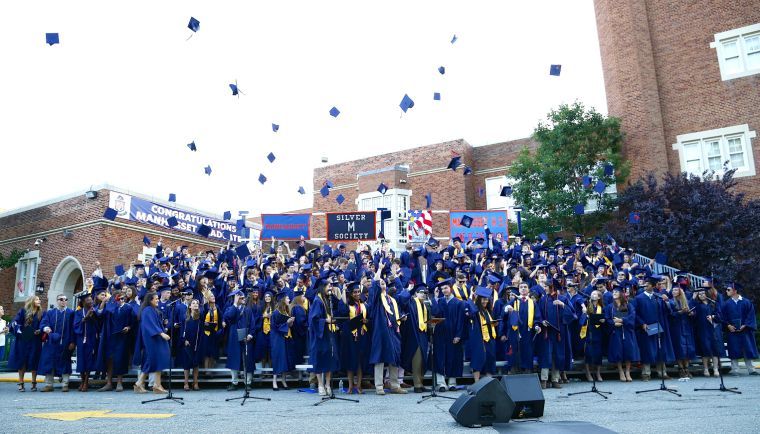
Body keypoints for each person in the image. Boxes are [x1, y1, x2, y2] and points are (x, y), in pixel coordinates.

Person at [368, 263, 407, 395]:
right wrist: (378, 269)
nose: (382, 285)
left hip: (393, 332)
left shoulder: (391, 300)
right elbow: (374, 285)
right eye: (381, 283)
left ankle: (395, 385)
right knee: (379, 358)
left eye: (384, 283)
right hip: (380, 332)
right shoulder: (376, 299)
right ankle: (379, 386)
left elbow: (395, 313)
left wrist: (401, 318)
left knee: (394, 357)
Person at [635, 276, 675, 381]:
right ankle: (646, 374)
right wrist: (642, 323)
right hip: (646, 328)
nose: (645, 286)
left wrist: (667, 301)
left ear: (652, 286)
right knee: (647, 350)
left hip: (658, 326)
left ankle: (662, 372)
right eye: (644, 284)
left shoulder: (658, 297)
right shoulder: (639, 298)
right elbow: (635, 313)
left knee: (660, 349)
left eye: (647, 284)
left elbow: (669, 310)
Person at [536, 280, 574, 389]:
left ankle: (555, 379)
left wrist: (563, 305)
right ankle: (544, 379)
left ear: (553, 287)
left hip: (559, 332)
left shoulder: (563, 299)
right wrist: (541, 321)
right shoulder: (543, 299)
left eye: (547, 286)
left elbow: (572, 315)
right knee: (546, 355)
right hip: (546, 332)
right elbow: (539, 314)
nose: (545, 288)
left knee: (557, 355)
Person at [97, 287, 135, 392]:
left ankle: (119, 382)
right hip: (109, 336)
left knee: (120, 359)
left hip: (122, 337)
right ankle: (109, 383)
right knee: (109, 359)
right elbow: (99, 313)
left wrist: (128, 327)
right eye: (119, 298)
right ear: (114, 299)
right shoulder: (109, 308)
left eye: (123, 298)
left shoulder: (128, 308)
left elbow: (132, 322)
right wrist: (103, 302)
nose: (121, 300)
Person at [430, 278, 465, 392]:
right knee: (440, 358)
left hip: (453, 335)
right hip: (440, 334)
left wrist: (458, 335)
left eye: (445, 288)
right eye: (442, 289)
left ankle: (452, 382)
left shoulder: (458, 303)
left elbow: (461, 320)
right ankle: (441, 383)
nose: (444, 290)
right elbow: (435, 313)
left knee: (453, 357)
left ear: (451, 288)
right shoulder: (439, 301)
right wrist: (435, 297)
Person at [308, 279, 341, 396]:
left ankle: (328, 384)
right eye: (328, 286)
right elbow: (314, 319)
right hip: (319, 335)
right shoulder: (317, 301)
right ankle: (320, 384)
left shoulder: (328, 300)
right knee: (319, 359)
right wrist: (326, 320)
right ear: (322, 287)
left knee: (329, 359)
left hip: (328, 333)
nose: (330, 288)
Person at [134, 292, 171, 394]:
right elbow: (149, 325)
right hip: (153, 339)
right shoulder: (147, 310)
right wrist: (161, 333)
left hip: (156, 338)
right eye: (156, 299)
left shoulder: (153, 310)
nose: (158, 300)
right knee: (154, 360)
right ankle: (154, 385)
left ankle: (150, 384)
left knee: (155, 360)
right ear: (150, 300)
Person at [38, 294, 75, 392]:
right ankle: (49, 384)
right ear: (57, 301)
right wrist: (45, 328)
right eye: (61, 299)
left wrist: (72, 341)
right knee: (50, 362)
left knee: (65, 362)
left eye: (65, 299)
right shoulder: (50, 313)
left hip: (65, 342)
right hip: (51, 342)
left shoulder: (71, 313)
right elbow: (43, 323)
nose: (63, 301)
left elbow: (73, 329)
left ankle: (65, 384)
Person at [339, 281, 371, 394]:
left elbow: (370, 319)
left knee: (360, 361)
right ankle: (350, 386)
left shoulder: (365, 305)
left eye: (358, 292)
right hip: (350, 335)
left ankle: (358, 386)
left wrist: (366, 321)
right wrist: (343, 290)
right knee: (350, 360)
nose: (357, 294)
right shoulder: (348, 305)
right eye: (355, 292)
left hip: (362, 334)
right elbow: (342, 311)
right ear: (351, 294)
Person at [721, 282, 758, 376]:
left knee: (747, 348)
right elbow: (723, 317)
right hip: (732, 331)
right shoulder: (726, 304)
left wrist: (745, 325)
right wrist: (728, 325)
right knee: (733, 349)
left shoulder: (746, 302)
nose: (726, 291)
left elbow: (751, 316)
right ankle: (735, 370)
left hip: (745, 330)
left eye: (728, 290)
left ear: (735, 291)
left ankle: (751, 369)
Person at [8, 295, 43, 392]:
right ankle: (21, 382)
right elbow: (15, 322)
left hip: (35, 340)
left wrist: (40, 330)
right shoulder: (23, 311)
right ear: (31, 301)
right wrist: (20, 329)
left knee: (34, 360)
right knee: (22, 360)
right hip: (23, 339)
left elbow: (43, 324)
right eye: (37, 299)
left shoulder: (41, 313)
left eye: (39, 299)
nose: (39, 301)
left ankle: (33, 382)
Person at [400, 283, 431, 393]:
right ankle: (417, 384)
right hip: (414, 334)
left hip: (423, 334)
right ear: (416, 293)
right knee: (417, 359)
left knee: (423, 360)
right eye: (421, 293)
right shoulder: (411, 302)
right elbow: (402, 300)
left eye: (425, 293)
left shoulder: (426, 305)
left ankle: (421, 383)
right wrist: (408, 290)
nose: (424, 295)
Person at [507, 282, 542, 374]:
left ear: (528, 289)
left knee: (527, 351)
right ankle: (514, 371)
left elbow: (537, 317)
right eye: (521, 287)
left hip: (528, 332)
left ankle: (527, 372)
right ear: (518, 289)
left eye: (525, 287)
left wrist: (537, 325)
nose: (523, 289)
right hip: (515, 331)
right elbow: (504, 312)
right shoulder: (514, 301)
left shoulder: (532, 303)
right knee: (515, 351)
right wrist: (508, 308)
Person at [605, 287, 638, 382]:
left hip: (627, 331)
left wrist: (622, 320)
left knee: (628, 351)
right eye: (613, 292)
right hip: (616, 332)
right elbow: (607, 319)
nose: (614, 293)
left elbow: (632, 316)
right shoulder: (609, 307)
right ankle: (620, 371)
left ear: (620, 294)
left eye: (616, 292)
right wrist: (614, 323)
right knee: (617, 352)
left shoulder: (628, 305)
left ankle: (627, 371)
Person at [468, 287, 498, 382]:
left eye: (486, 299)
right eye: (483, 299)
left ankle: (488, 381)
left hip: (489, 339)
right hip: (478, 339)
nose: (485, 301)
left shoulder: (488, 311)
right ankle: (477, 382)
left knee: (490, 358)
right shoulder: (476, 310)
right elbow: (472, 313)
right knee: (478, 359)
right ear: (478, 299)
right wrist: (470, 298)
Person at [690, 288, 722, 377]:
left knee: (714, 349)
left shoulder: (714, 303)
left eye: (703, 293)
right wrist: (693, 298)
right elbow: (690, 311)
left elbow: (720, 315)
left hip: (713, 329)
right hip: (702, 329)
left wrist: (713, 316)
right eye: (699, 294)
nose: (701, 295)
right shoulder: (697, 305)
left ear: (707, 294)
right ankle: (706, 369)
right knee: (705, 349)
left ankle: (715, 369)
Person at [667, 285, 696, 378]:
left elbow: (693, 315)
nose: (674, 291)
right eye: (673, 290)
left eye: (676, 290)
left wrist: (691, 314)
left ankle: (686, 368)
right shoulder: (671, 302)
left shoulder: (686, 302)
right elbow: (670, 315)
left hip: (687, 327)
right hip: (676, 328)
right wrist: (680, 312)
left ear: (680, 291)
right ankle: (680, 369)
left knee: (688, 347)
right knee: (679, 348)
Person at [270, 291, 295, 390]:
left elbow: (289, 326)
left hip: (286, 337)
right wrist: (287, 323)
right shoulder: (276, 312)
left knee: (285, 359)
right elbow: (274, 327)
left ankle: (284, 381)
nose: (289, 300)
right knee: (277, 359)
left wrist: (290, 323)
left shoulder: (286, 311)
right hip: (277, 338)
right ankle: (274, 381)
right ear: (283, 300)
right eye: (287, 298)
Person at [73, 293, 98, 391]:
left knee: (88, 359)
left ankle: (86, 381)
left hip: (91, 338)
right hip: (81, 339)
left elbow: (98, 324)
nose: (91, 301)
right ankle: (82, 380)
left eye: (91, 299)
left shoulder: (94, 311)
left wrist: (92, 316)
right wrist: (86, 317)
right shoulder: (78, 313)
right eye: (88, 300)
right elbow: (76, 325)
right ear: (83, 302)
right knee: (81, 360)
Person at [224, 289, 248, 391]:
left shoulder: (247, 309)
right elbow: (229, 317)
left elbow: (252, 322)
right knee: (234, 358)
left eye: (243, 298)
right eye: (240, 298)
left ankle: (247, 382)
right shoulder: (230, 308)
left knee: (246, 359)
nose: (242, 299)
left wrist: (250, 334)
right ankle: (234, 382)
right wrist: (234, 303)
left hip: (246, 335)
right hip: (234, 335)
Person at [580, 290, 605, 383]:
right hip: (587, 331)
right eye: (592, 293)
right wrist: (585, 314)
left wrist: (603, 321)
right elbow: (581, 319)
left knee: (598, 353)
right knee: (588, 353)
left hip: (597, 332)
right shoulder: (586, 306)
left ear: (599, 297)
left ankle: (598, 372)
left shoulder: (601, 307)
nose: (593, 295)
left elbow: (605, 317)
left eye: (595, 294)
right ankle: (588, 372)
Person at [180, 299, 203, 390]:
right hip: (187, 343)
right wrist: (184, 340)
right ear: (189, 306)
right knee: (186, 363)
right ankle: (186, 383)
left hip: (196, 343)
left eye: (197, 303)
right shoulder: (185, 318)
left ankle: (195, 382)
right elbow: (182, 331)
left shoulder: (200, 318)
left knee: (196, 363)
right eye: (193, 303)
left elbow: (201, 332)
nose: (195, 304)